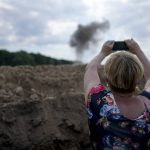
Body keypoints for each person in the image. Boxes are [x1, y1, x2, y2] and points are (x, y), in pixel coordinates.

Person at [84, 39, 150, 150]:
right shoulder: (147, 102)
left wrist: (103, 53)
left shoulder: (97, 99)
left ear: (106, 78)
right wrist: (138, 51)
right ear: (138, 79)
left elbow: (90, 69)